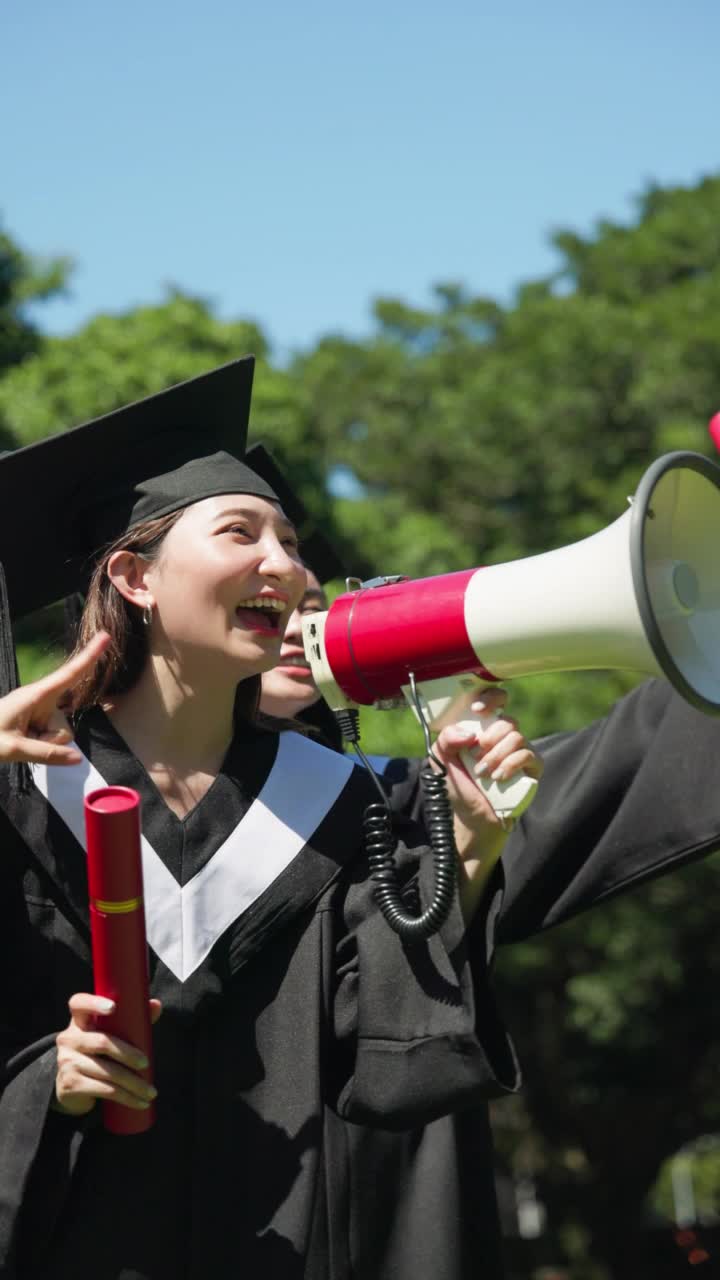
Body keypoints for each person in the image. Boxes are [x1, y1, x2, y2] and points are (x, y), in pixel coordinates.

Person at [0, 358, 542, 1280]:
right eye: (242, 532)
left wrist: (468, 848)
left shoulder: (331, 803)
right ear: (133, 575)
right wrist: (41, 1086)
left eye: (290, 544)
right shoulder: (22, 788)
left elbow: (387, 1057)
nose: (286, 568)